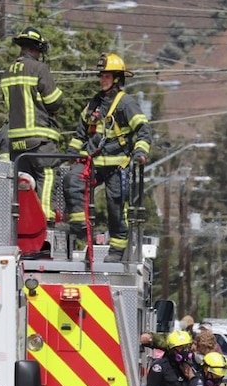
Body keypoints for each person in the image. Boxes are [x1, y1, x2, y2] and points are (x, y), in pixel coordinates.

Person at [65, 53, 152, 263]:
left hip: (117, 165)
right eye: (101, 75)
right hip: (93, 163)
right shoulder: (94, 103)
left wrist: (140, 153)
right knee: (71, 180)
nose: (102, 79)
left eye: (107, 76)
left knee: (116, 206)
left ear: (117, 78)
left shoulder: (126, 104)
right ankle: (80, 226)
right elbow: (80, 134)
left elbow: (143, 130)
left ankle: (116, 250)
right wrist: (70, 155)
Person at [0, 26, 64, 222]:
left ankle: (24, 220)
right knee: (47, 173)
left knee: (24, 183)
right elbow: (54, 101)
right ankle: (44, 217)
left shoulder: (7, 72)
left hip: (16, 142)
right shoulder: (39, 68)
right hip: (39, 140)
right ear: (37, 49)